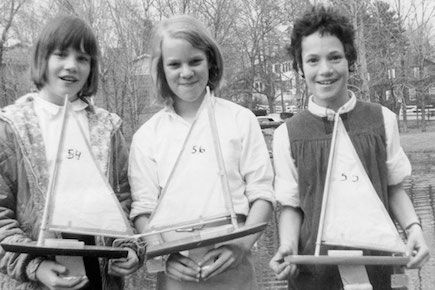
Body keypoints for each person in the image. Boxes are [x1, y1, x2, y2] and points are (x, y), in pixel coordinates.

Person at [269, 5, 430, 290]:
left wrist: (413, 228)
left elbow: (394, 187)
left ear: (349, 60)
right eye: (313, 60)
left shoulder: (382, 120)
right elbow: (291, 206)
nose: (325, 70)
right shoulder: (286, 135)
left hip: (380, 267)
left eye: (335, 57)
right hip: (316, 276)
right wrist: (287, 247)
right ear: (300, 67)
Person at [129, 14, 274, 289]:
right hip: (177, 274)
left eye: (195, 61)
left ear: (210, 61)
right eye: (174, 64)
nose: (186, 72)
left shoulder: (240, 120)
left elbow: (262, 194)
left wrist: (241, 245)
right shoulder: (147, 137)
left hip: (234, 267)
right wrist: (163, 256)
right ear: (161, 70)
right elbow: (142, 211)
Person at [0, 15, 144, 289]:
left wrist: (127, 247)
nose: (71, 66)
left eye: (82, 58)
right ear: (42, 59)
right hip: (37, 278)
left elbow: (125, 200)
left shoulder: (107, 128)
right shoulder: (11, 127)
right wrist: (35, 265)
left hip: (99, 277)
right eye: (61, 55)